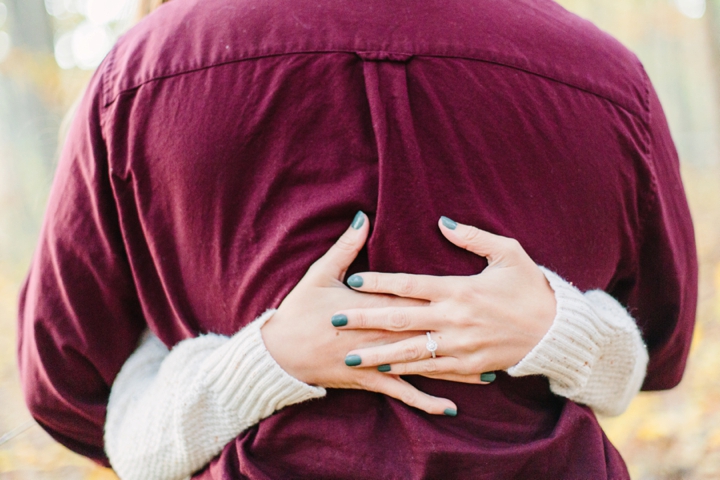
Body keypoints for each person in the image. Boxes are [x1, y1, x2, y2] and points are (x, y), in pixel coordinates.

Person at [17, 0, 697, 479]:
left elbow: (65, 382)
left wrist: (236, 367)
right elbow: (660, 346)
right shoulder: (608, 78)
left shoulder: (138, 74)